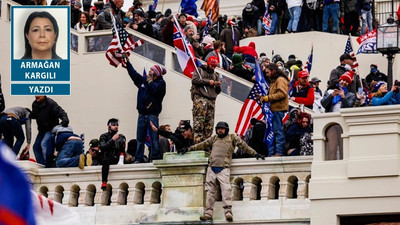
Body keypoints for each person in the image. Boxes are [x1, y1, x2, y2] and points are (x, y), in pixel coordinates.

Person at [179, 121, 265, 222]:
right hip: (211, 168)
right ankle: (208, 214)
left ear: (226, 129)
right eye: (218, 128)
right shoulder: (214, 138)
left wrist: (255, 154)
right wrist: (188, 149)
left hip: (223, 169)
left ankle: (228, 213)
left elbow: (244, 146)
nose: (220, 130)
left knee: (226, 191)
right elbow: (202, 145)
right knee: (210, 192)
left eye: (222, 128)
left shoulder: (232, 138)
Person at [125, 57, 166, 163]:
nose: (149, 71)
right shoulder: (143, 80)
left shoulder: (161, 83)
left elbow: (156, 91)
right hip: (142, 114)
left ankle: (155, 158)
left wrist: (151, 82)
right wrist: (127, 63)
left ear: (156, 73)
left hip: (153, 114)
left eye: (152, 70)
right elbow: (134, 75)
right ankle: (138, 158)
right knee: (140, 139)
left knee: (154, 138)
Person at [30, 96, 69, 167]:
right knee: (36, 147)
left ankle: (49, 164)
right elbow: (35, 114)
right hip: (42, 130)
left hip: (51, 129)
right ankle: (42, 165)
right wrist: (31, 115)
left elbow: (61, 112)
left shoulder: (51, 103)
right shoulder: (35, 104)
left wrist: (65, 120)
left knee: (44, 143)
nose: (36, 96)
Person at [260, 63, 289, 157]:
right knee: (272, 132)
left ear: (273, 71)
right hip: (273, 110)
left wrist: (268, 98)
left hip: (278, 110)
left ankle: (279, 153)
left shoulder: (280, 80)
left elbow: (282, 94)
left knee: (277, 132)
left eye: (268, 72)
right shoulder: (274, 81)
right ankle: (271, 153)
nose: (267, 74)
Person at [191, 56, 221, 144]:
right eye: (212, 66)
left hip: (211, 100)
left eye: (214, 66)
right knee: (199, 123)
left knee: (209, 125)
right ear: (208, 64)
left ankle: (206, 145)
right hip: (201, 98)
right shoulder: (199, 70)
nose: (213, 68)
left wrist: (218, 85)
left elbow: (218, 91)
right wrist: (208, 82)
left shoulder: (215, 75)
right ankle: (197, 143)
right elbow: (194, 80)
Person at [99, 118, 126, 190]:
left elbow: (122, 149)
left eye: (117, 125)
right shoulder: (104, 136)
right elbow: (103, 147)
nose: (116, 126)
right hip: (108, 157)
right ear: (109, 126)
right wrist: (112, 139)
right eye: (114, 125)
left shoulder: (121, 137)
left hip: (118, 157)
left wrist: (122, 158)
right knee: (105, 160)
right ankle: (104, 182)